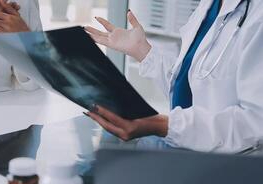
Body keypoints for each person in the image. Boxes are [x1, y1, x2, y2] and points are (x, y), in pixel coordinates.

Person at [85, 0, 263, 153]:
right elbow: (189, 84)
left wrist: (163, 125)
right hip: (187, 144)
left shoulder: (257, 16)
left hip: (227, 165)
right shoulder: (210, 4)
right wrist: (141, 51)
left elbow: (255, 124)